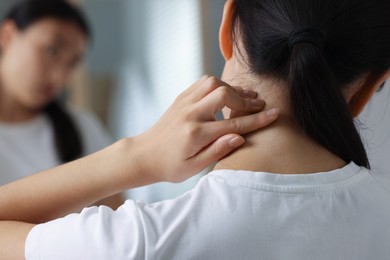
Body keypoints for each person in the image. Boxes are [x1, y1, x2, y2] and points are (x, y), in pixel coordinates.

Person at [1, 0, 390, 259]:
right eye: (51, 50)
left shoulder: (138, 242)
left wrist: (138, 156)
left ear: (228, 27)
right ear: (372, 84)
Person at [0, 0, 124, 208]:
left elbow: (118, 217)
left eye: (72, 63)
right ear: (8, 36)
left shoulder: (81, 127)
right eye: (52, 51)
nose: (59, 77)